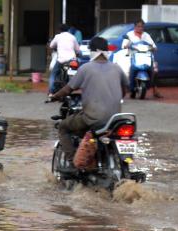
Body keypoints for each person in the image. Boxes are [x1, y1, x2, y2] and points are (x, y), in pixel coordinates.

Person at [51, 37, 129, 167]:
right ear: (107, 51)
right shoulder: (117, 68)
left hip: (94, 119)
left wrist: (54, 96)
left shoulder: (86, 68)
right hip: (115, 120)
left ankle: (72, 163)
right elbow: (124, 90)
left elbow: (68, 89)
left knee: (63, 127)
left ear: (92, 51)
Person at [122, 19, 162, 98]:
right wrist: (127, 45)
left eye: (142, 26)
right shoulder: (129, 35)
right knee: (126, 70)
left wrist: (154, 48)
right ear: (135, 26)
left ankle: (155, 90)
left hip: (146, 56)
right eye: (138, 26)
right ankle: (126, 88)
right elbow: (124, 45)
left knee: (155, 69)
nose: (140, 28)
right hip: (133, 56)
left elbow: (153, 45)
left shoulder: (146, 35)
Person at [48, 24, 80, 96]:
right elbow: (78, 50)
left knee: (53, 74)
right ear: (68, 30)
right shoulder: (72, 37)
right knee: (75, 72)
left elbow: (51, 46)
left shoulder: (58, 37)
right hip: (72, 60)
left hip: (61, 60)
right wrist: (77, 53)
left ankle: (51, 92)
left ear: (59, 30)